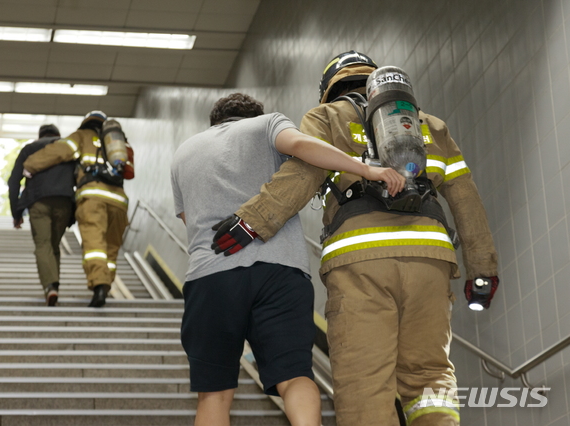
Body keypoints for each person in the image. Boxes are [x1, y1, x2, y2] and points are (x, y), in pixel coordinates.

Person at [211, 53, 500, 426]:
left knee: (365, 383)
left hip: (360, 260)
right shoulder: (429, 126)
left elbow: (302, 173)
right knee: (430, 379)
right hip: (430, 260)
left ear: (329, 88)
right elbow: (465, 197)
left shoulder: (327, 118)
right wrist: (483, 268)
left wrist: (250, 222)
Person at [171, 92, 404, 426]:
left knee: (215, 394)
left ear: (215, 121)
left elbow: (187, 220)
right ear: (254, 114)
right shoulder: (266, 125)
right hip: (280, 273)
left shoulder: (183, 153)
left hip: (211, 276)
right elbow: (302, 145)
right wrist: (366, 169)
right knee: (294, 377)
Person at [23, 111, 134, 308]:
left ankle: (99, 286)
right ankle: (106, 283)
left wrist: (30, 164)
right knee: (111, 248)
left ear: (86, 122)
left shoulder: (82, 136)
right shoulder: (118, 141)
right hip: (119, 201)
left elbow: (57, 152)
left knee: (95, 245)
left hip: (93, 197)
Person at [8, 124, 76, 306]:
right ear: (57, 135)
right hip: (64, 201)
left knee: (43, 244)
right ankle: (53, 286)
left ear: (40, 136)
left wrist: (17, 212)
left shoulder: (30, 149)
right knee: (54, 245)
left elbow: (14, 181)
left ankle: (51, 286)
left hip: (38, 202)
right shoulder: (68, 147)